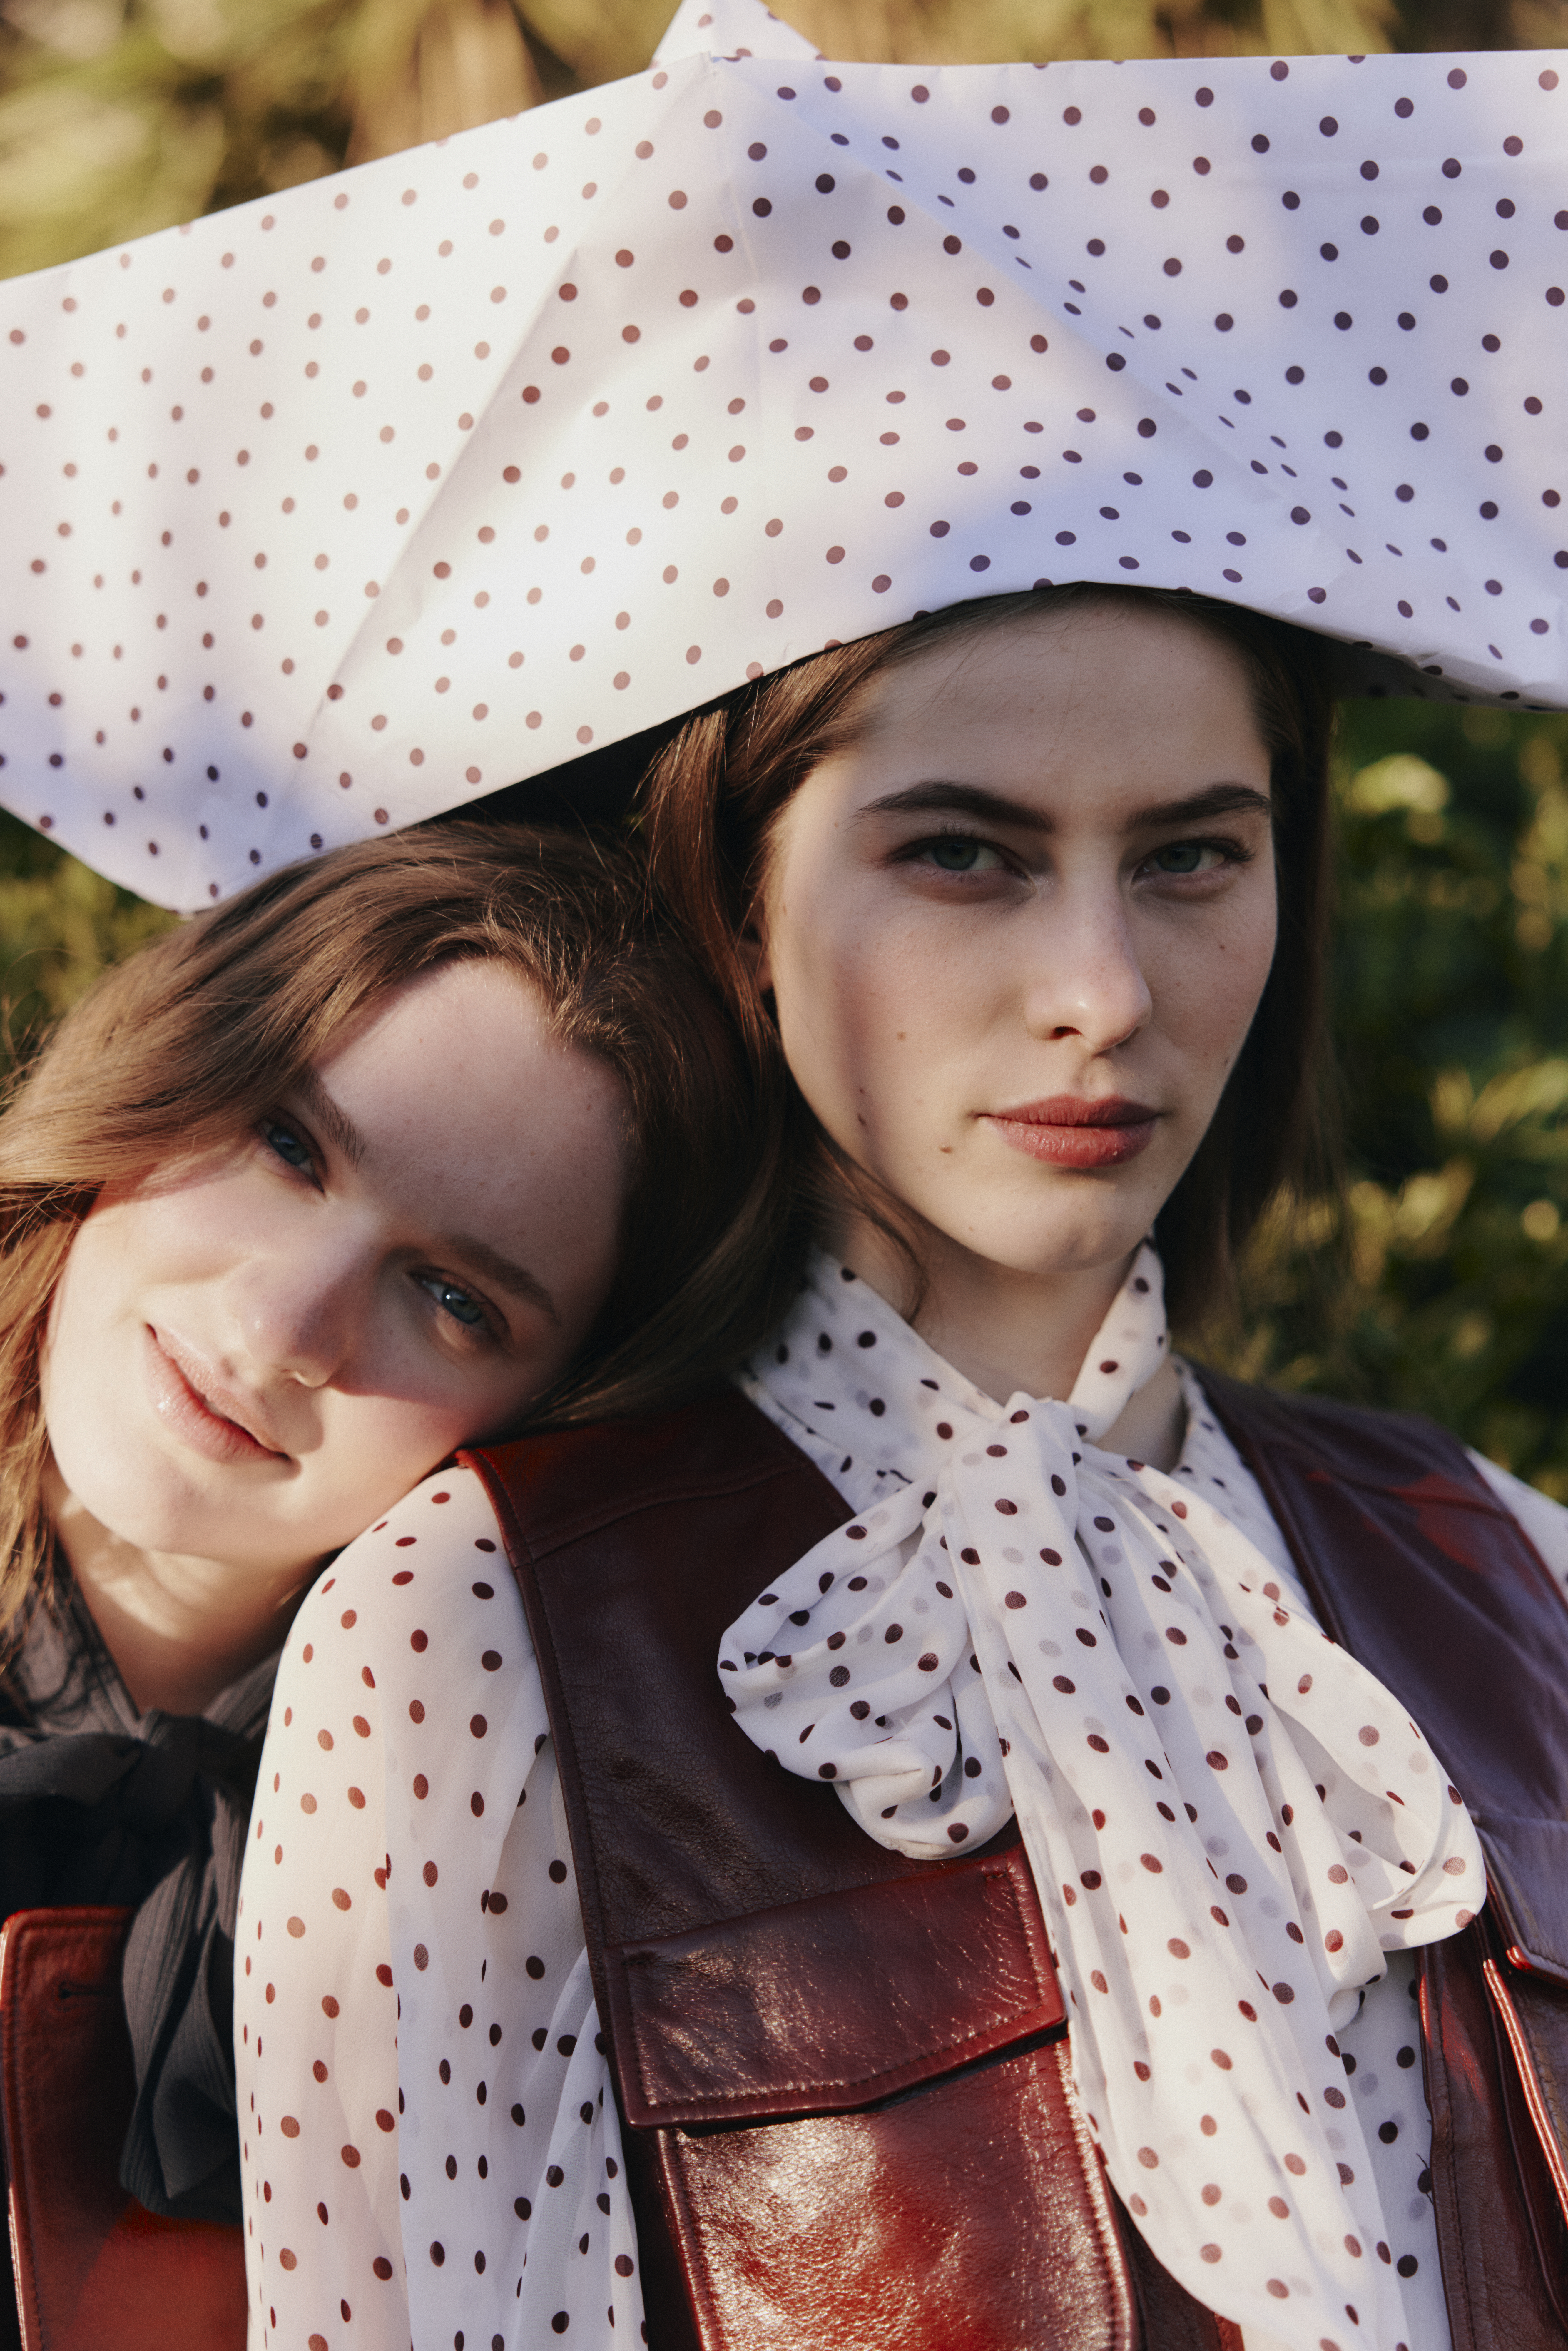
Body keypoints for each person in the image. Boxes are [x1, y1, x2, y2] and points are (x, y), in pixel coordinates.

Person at [239, 584, 1568, 2351]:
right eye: (962, 853)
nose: (1098, 992)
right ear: (739, 906)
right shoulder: (468, 1630)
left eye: (1189, 858)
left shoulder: (1508, 1561)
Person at [0, 817, 768, 2233]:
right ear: (172, 1059)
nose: (281, 1326)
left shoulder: (509, 1909)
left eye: (454, 1297)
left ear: (554, 1411)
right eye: (286, 1142)